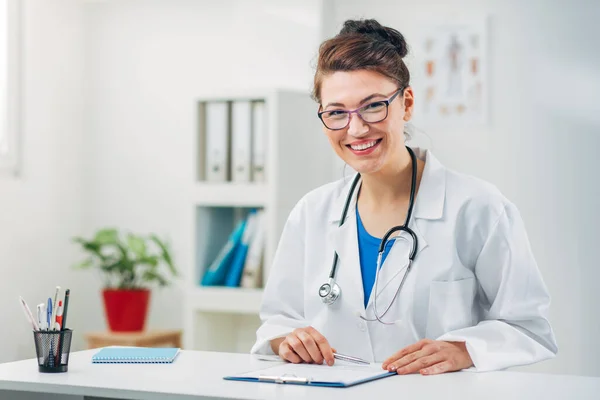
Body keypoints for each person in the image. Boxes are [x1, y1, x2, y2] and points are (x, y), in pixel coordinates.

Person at [250, 19, 557, 375]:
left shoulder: (479, 208)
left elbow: (528, 327)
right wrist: (288, 339)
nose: (356, 128)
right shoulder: (311, 213)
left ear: (406, 104)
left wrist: (464, 349)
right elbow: (276, 322)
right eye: (336, 112)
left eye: (373, 106)